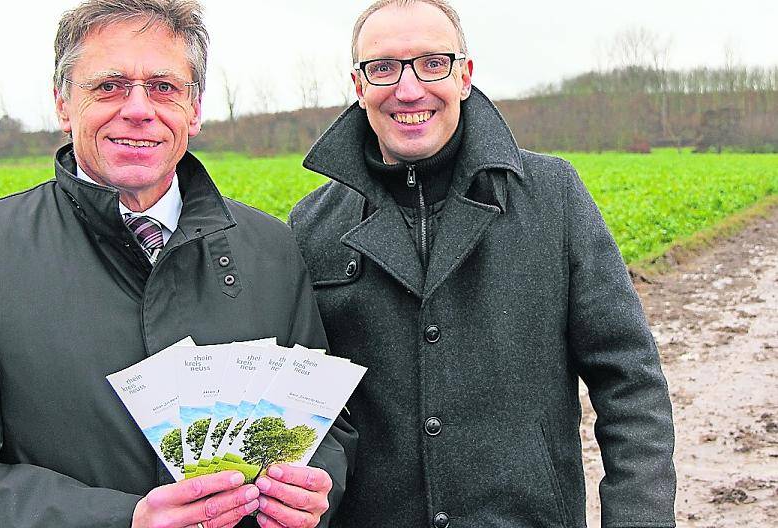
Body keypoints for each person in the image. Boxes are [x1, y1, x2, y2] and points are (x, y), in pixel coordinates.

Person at [0, 1, 352, 527]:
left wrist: (311, 491)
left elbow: (325, 423)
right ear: (63, 103)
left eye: (163, 87)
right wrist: (121, 521)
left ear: (194, 108)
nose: (139, 109)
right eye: (109, 86)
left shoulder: (271, 248)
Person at [289, 1, 676, 526]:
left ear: (464, 75)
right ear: (359, 85)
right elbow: (307, 414)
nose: (409, 89)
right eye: (383, 67)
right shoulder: (311, 225)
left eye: (432, 63)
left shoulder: (553, 198)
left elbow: (630, 382)